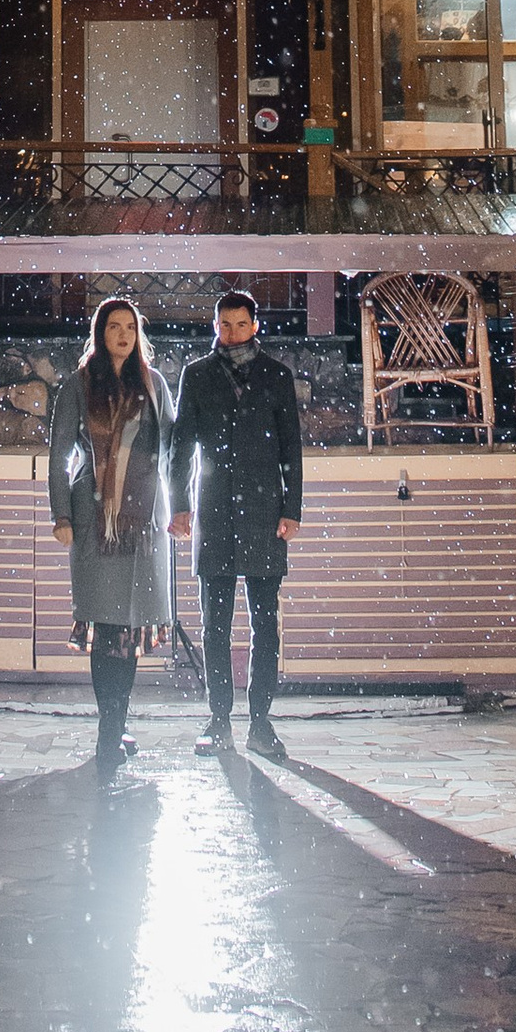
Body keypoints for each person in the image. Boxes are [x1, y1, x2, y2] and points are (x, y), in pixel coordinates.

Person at [168, 287, 304, 757]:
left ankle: (261, 722)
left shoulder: (276, 376)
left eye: (240, 324)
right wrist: (179, 505)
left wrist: (292, 510)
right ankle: (218, 718)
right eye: (224, 325)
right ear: (215, 327)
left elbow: (291, 449)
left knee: (266, 624)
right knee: (215, 624)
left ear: (255, 326)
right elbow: (182, 445)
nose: (231, 332)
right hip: (216, 510)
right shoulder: (198, 375)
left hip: (267, 512)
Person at [47, 295, 177, 772]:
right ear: (100, 334)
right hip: (94, 518)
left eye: (129, 327)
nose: (122, 335)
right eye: (113, 327)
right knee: (105, 627)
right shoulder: (79, 386)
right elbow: (62, 453)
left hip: (144, 524)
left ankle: (117, 723)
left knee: (129, 629)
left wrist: (178, 508)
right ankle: (110, 729)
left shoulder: (154, 383)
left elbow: (171, 452)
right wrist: (61, 515)